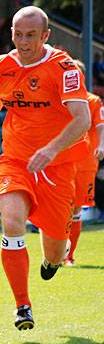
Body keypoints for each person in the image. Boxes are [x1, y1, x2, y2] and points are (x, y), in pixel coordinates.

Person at [0, 6, 91, 331]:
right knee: (12, 223)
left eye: (30, 35)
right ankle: (22, 306)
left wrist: (51, 149)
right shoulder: (2, 65)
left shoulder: (63, 68)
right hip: (16, 161)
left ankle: (52, 260)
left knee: (56, 251)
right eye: (18, 34)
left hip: (56, 167)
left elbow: (82, 119)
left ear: (46, 36)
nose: (22, 41)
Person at [65, 60, 104, 266]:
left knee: (76, 209)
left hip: (85, 162)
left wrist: (102, 145)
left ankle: (69, 256)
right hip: (62, 160)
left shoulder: (93, 101)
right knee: (59, 208)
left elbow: (100, 126)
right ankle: (55, 252)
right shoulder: (58, 99)